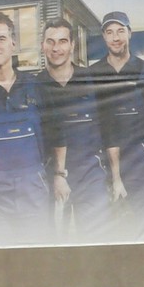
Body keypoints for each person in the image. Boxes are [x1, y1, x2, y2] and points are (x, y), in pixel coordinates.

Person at [0, 11, 55, 244]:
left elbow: (55, 136)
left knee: (36, 261)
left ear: (13, 43)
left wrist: (58, 175)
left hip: (34, 191)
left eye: (0, 39)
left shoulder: (37, 86)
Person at [92, 9, 144, 229]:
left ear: (130, 33)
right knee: (108, 219)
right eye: (109, 32)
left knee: (140, 215)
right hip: (104, 157)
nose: (115, 37)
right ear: (104, 37)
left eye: (120, 31)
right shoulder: (93, 74)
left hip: (139, 154)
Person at [39, 17, 115, 237]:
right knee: (53, 246)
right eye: (50, 41)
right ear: (43, 45)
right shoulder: (34, 86)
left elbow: (109, 132)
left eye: (62, 41)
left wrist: (114, 177)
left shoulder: (91, 80)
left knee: (94, 244)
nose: (56, 48)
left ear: (72, 45)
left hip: (91, 178)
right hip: (51, 179)